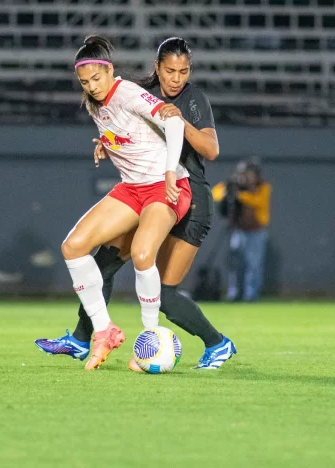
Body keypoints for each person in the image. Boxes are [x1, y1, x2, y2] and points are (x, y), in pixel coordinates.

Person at [37, 37, 237, 370]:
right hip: (139, 188)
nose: (176, 78)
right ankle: (88, 336)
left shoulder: (187, 98)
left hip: (186, 194)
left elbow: (209, 149)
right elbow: (129, 128)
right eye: (169, 70)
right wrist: (109, 141)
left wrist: (172, 155)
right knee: (100, 262)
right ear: (156, 68)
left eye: (183, 71)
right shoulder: (115, 94)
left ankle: (210, 343)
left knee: (165, 293)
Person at [57, 35, 193, 370]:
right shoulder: (94, 102)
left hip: (166, 186)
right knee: (73, 247)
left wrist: (170, 173)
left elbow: (173, 122)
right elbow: (126, 132)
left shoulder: (127, 92)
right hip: (132, 189)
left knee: (144, 255)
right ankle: (103, 331)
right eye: (85, 82)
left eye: (97, 78)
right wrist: (108, 143)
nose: (92, 86)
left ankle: (150, 337)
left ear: (109, 70)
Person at [214, 160, 271, 302]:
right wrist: (230, 190)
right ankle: (234, 294)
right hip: (239, 231)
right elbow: (215, 193)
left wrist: (239, 195)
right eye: (245, 174)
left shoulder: (263, 187)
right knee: (235, 264)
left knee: (253, 264)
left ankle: (250, 295)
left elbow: (259, 201)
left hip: (256, 231)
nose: (247, 177)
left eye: (250, 174)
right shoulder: (237, 186)